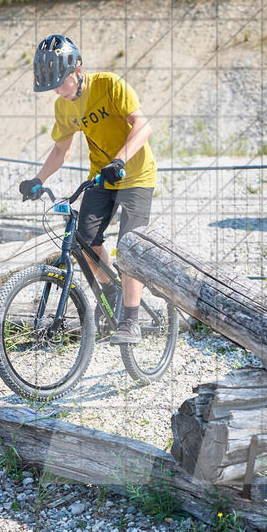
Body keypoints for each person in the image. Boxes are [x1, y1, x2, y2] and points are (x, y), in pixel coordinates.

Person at [19, 34, 157, 344]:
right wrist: (39, 180)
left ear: (77, 70)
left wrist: (120, 160)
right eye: (52, 86)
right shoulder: (63, 107)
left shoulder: (109, 85)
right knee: (85, 239)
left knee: (129, 246)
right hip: (101, 178)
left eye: (61, 83)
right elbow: (61, 150)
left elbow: (143, 125)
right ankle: (112, 292)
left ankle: (131, 320)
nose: (58, 91)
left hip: (136, 175)